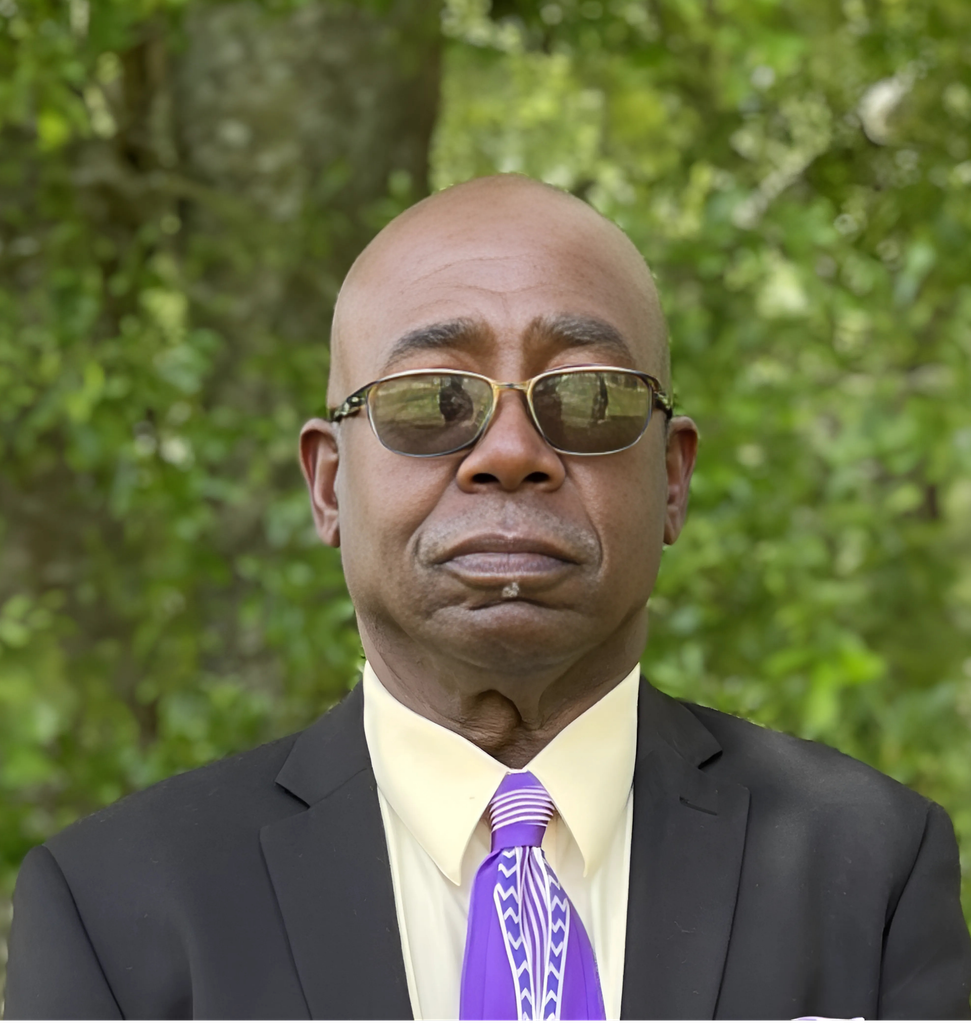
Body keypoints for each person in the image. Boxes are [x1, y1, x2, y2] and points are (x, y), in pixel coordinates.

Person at [5, 175, 970, 1023]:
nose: (510, 452)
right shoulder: (112, 908)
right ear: (329, 486)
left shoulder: (868, 865)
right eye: (432, 400)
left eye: (587, 397)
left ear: (672, 481)